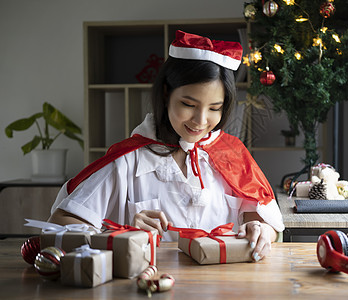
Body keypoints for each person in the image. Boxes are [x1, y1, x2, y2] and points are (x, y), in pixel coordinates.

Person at [48, 30, 284, 262]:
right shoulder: (129, 158)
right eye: (188, 104)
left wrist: (262, 230)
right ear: (165, 93)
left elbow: (266, 225)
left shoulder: (231, 155)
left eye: (214, 108)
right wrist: (119, 232)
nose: (200, 121)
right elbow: (60, 222)